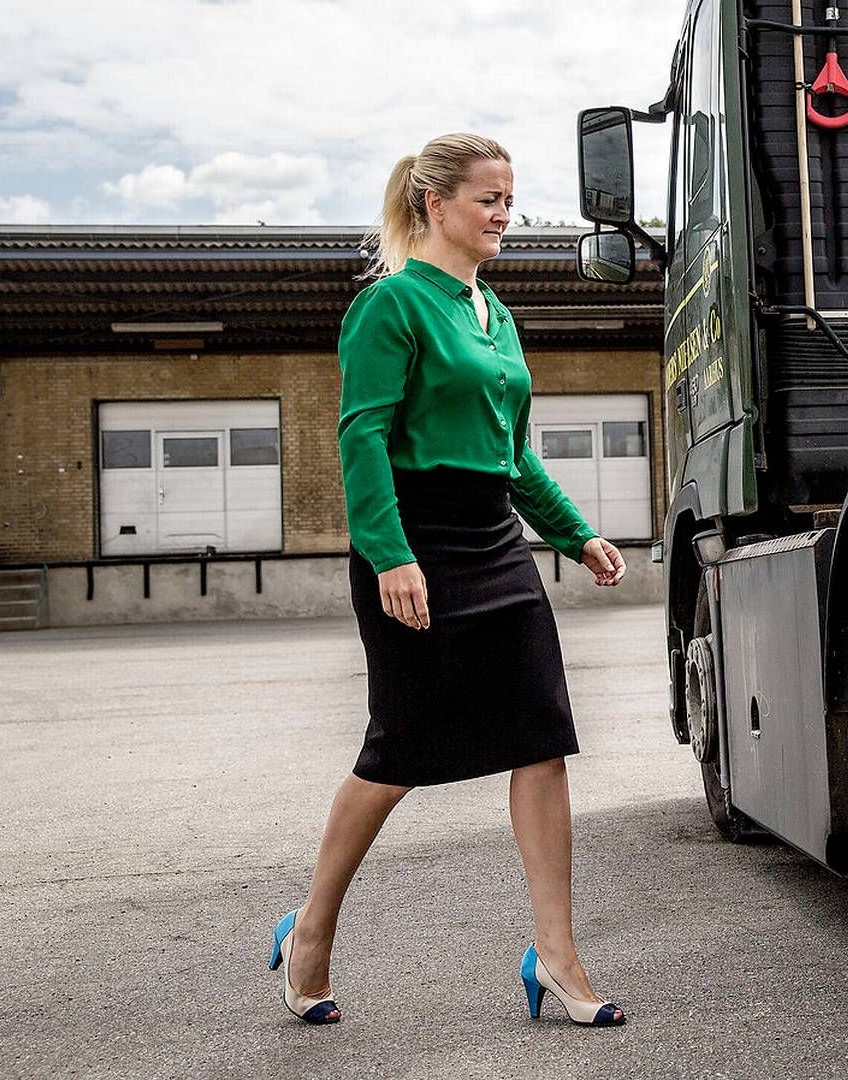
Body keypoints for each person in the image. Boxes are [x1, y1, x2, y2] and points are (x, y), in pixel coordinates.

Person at [267, 132, 630, 1028]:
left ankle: (557, 956)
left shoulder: (493, 313)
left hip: (495, 545)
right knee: (400, 753)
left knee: (540, 740)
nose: (506, 215)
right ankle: (311, 929)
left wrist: (577, 535)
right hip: (414, 540)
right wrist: (391, 555)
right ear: (435, 205)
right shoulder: (391, 306)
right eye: (488, 200)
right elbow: (361, 437)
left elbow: (511, 455)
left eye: (511, 199)